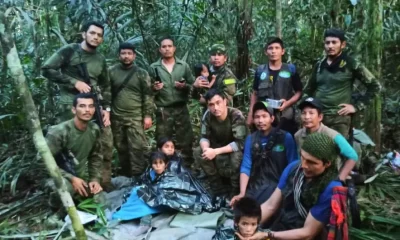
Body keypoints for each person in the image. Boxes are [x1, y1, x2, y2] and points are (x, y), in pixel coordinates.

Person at [42, 20, 114, 190]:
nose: (95, 37)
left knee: (103, 143)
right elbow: (46, 69)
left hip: (94, 105)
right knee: (69, 146)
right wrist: (74, 82)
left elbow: (106, 85)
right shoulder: (69, 51)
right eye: (92, 33)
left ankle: (100, 183)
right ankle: (69, 183)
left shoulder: (100, 59)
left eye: (99, 35)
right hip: (70, 106)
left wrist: (107, 109)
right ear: (84, 34)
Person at [246, 133, 342, 240]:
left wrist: (267, 234)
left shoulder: (331, 189)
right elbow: (271, 205)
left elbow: (308, 233)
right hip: (283, 227)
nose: (304, 165)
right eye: (302, 157)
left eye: (311, 162)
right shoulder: (293, 168)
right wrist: (248, 225)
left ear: (327, 163)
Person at [304, 28, 381, 138]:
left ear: (343, 44)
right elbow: (308, 90)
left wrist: (356, 106)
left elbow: (375, 86)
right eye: (327, 43)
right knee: (315, 151)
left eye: (334, 42)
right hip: (318, 117)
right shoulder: (319, 65)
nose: (330, 46)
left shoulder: (351, 63)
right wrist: (308, 111)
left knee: (337, 152)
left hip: (339, 118)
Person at [231, 101, 298, 206]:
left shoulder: (285, 137)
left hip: (278, 187)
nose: (260, 120)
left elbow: (293, 165)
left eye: (264, 116)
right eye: (257, 117)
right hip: (256, 186)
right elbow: (246, 166)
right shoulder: (251, 139)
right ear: (253, 119)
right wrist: (242, 193)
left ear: (272, 118)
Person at [46, 93, 103, 206]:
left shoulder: (94, 129)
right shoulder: (59, 132)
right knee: (66, 190)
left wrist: (94, 179)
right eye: (82, 106)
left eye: (91, 106)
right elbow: (42, 162)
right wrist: (71, 179)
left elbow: (95, 156)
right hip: (56, 176)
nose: (87, 110)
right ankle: (55, 212)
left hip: (78, 175)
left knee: (99, 198)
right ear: (73, 110)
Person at [149, 37, 195, 169]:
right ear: (160, 49)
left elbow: (193, 84)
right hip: (164, 109)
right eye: (164, 46)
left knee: (186, 139)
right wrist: (154, 88)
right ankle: (163, 167)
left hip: (181, 108)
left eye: (170, 46)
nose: (167, 49)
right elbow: (148, 89)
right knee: (163, 138)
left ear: (174, 48)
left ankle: (187, 168)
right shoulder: (154, 67)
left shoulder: (183, 66)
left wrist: (184, 86)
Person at [109, 42, 153, 178]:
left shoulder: (141, 73)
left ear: (134, 56)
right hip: (116, 117)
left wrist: (147, 115)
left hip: (135, 117)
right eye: (123, 53)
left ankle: (139, 176)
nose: (126, 56)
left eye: (129, 53)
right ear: (119, 55)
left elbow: (148, 95)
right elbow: (106, 93)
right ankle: (127, 175)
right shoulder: (111, 71)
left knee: (137, 148)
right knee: (121, 148)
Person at [193, 89, 248, 197]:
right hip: (216, 146)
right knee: (198, 151)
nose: (215, 108)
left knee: (237, 156)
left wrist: (215, 151)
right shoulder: (208, 115)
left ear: (225, 101)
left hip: (233, 149)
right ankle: (217, 187)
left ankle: (235, 190)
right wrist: (206, 150)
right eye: (211, 105)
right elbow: (204, 137)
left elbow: (240, 143)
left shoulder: (236, 115)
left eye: (218, 103)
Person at [247, 38, 303, 135]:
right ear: (266, 52)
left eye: (277, 48)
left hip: (285, 114)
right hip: (264, 114)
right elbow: (255, 92)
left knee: (285, 140)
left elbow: (299, 92)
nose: (273, 51)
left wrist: (287, 103)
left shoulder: (290, 69)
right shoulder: (260, 71)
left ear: (282, 51)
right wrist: (251, 113)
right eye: (270, 48)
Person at [295, 97, 358, 181]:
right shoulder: (298, 135)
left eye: (311, 113)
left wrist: (340, 178)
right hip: (308, 175)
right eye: (303, 113)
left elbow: (353, 156)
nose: (307, 117)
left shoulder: (332, 135)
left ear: (320, 117)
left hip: (329, 177)